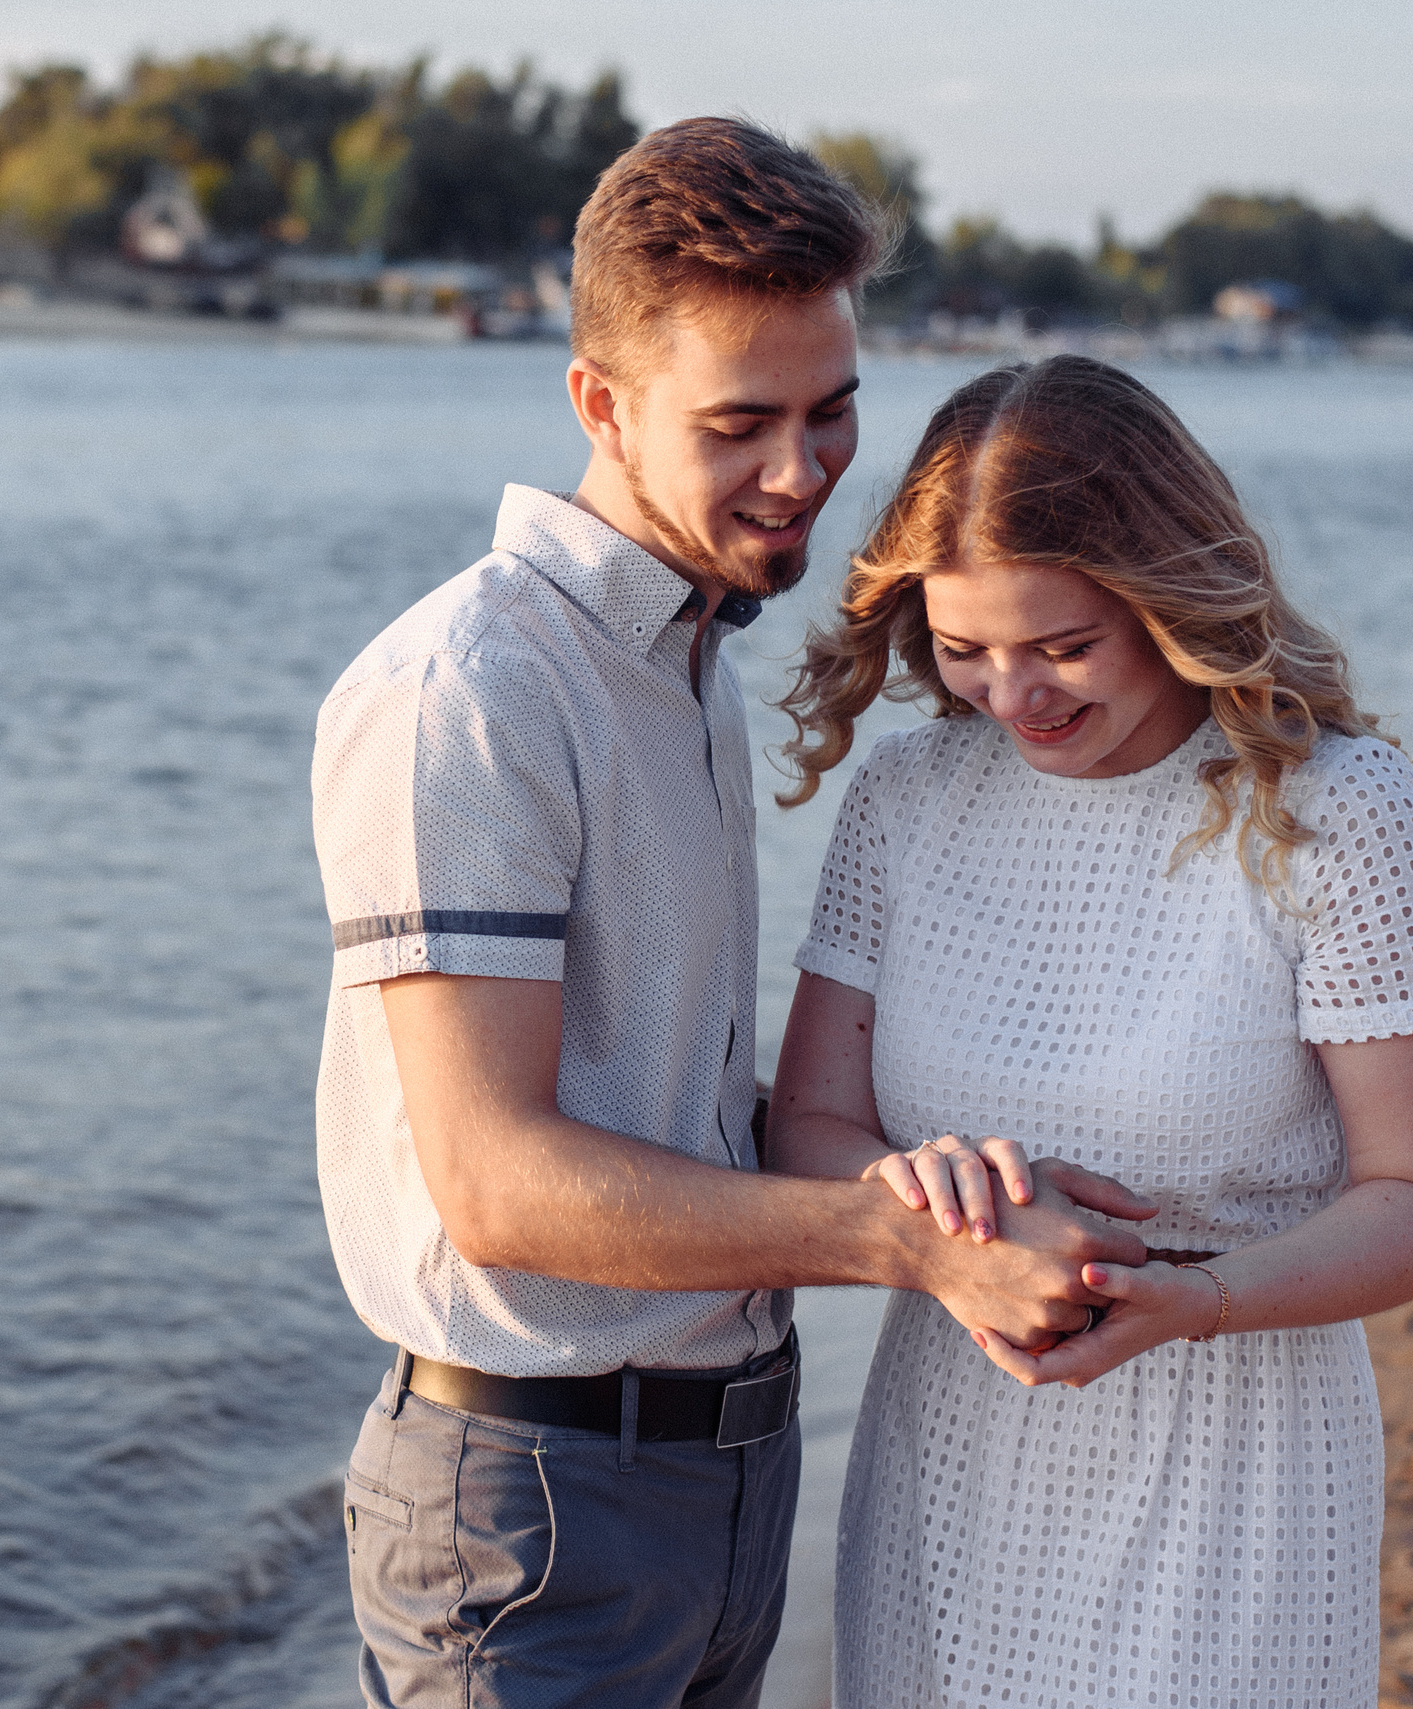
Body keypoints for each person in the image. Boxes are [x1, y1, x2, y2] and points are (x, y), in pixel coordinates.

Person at [310, 125, 1158, 1709]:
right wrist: (913, 1244)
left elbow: (673, 1114)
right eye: (739, 424)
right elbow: (497, 1183)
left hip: (721, 1484)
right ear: (600, 406)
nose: (799, 472)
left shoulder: (688, 656)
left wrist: (970, 1179)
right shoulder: (474, 689)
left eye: (832, 411)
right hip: (530, 1511)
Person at [766, 355, 1413, 1707]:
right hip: (952, 1444)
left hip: (1235, 1469)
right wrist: (927, 1210)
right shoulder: (908, 802)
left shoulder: (1344, 814)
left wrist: (1193, 1301)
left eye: (1062, 646)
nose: (1012, 694)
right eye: (967, 649)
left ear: (1167, 597)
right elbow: (808, 1121)